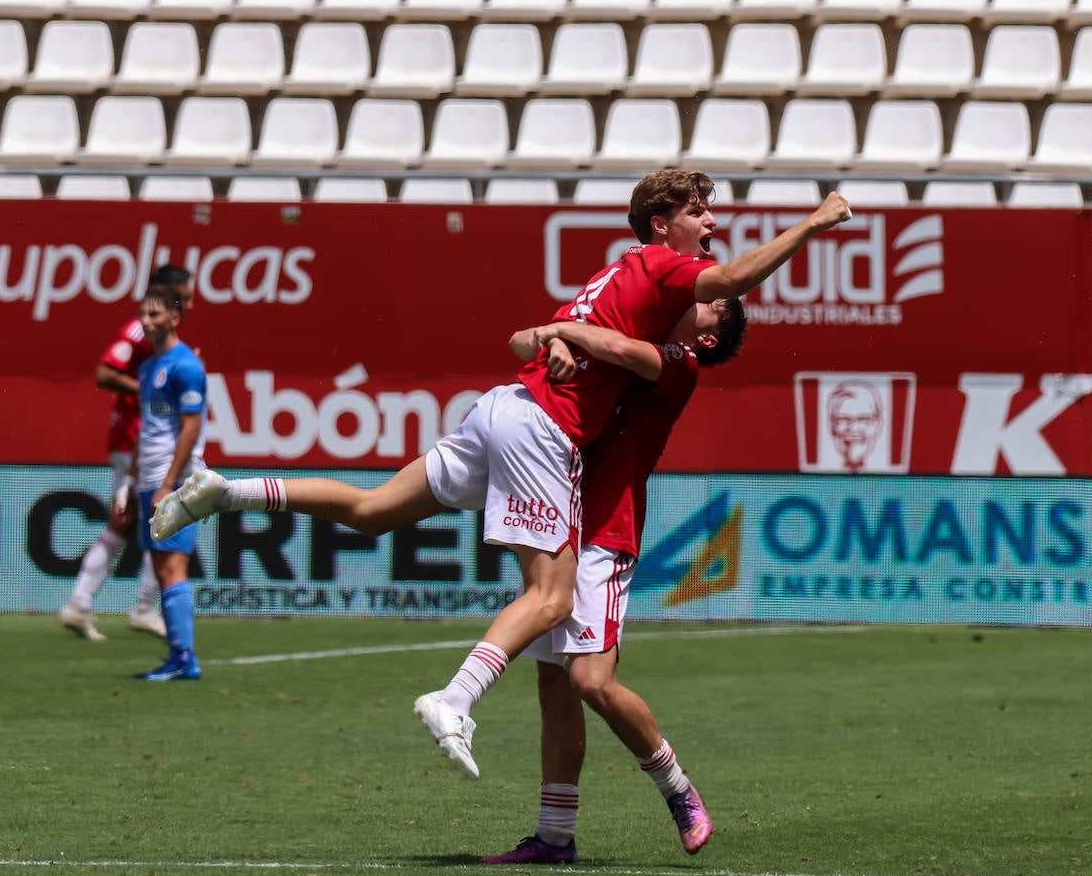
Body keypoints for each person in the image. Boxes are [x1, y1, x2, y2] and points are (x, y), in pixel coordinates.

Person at [153, 170, 852, 772]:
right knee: (551, 599)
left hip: (505, 404)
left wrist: (558, 342)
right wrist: (816, 221)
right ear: (662, 224)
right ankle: (453, 701)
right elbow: (731, 277)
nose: (712, 223)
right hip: (543, 428)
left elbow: (526, 337)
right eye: (699, 212)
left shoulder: (619, 277)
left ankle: (225, 489)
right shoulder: (660, 267)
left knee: (372, 512)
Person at [482, 306, 744, 864]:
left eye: (714, 300)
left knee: (591, 680)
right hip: (559, 520)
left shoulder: (677, 364)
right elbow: (518, 339)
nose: (698, 288)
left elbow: (619, 352)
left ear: (706, 336)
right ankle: (554, 836)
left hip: (606, 529)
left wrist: (558, 332)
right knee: (553, 687)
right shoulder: (624, 329)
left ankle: (679, 792)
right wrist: (546, 341)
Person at [59, 265, 194, 642]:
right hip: (137, 440)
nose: (191, 300)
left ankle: (80, 604)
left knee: (127, 521)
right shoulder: (140, 329)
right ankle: (144, 607)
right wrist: (150, 387)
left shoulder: (163, 337)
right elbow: (104, 372)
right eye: (184, 292)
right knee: (166, 516)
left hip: (141, 440)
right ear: (166, 291)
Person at [130, 282, 208, 681]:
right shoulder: (148, 367)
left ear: (175, 318)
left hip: (173, 479)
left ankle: (185, 658)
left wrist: (168, 483)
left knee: (173, 567)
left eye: (154, 314)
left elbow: (191, 429)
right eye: (143, 314)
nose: (146, 321)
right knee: (163, 568)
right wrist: (133, 479)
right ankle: (179, 656)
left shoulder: (185, 366)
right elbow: (148, 429)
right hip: (149, 476)